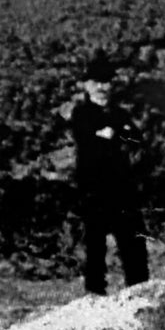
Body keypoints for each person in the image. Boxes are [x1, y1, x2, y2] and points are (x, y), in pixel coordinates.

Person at [58, 53, 149, 295]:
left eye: (106, 81)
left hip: (122, 188)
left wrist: (114, 133)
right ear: (86, 85)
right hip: (94, 189)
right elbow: (89, 139)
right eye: (96, 82)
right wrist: (116, 134)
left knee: (133, 242)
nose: (101, 87)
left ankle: (139, 292)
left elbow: (136, 137)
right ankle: (95, 296)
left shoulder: (119, 114)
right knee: (95, 246)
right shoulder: (81, 114)